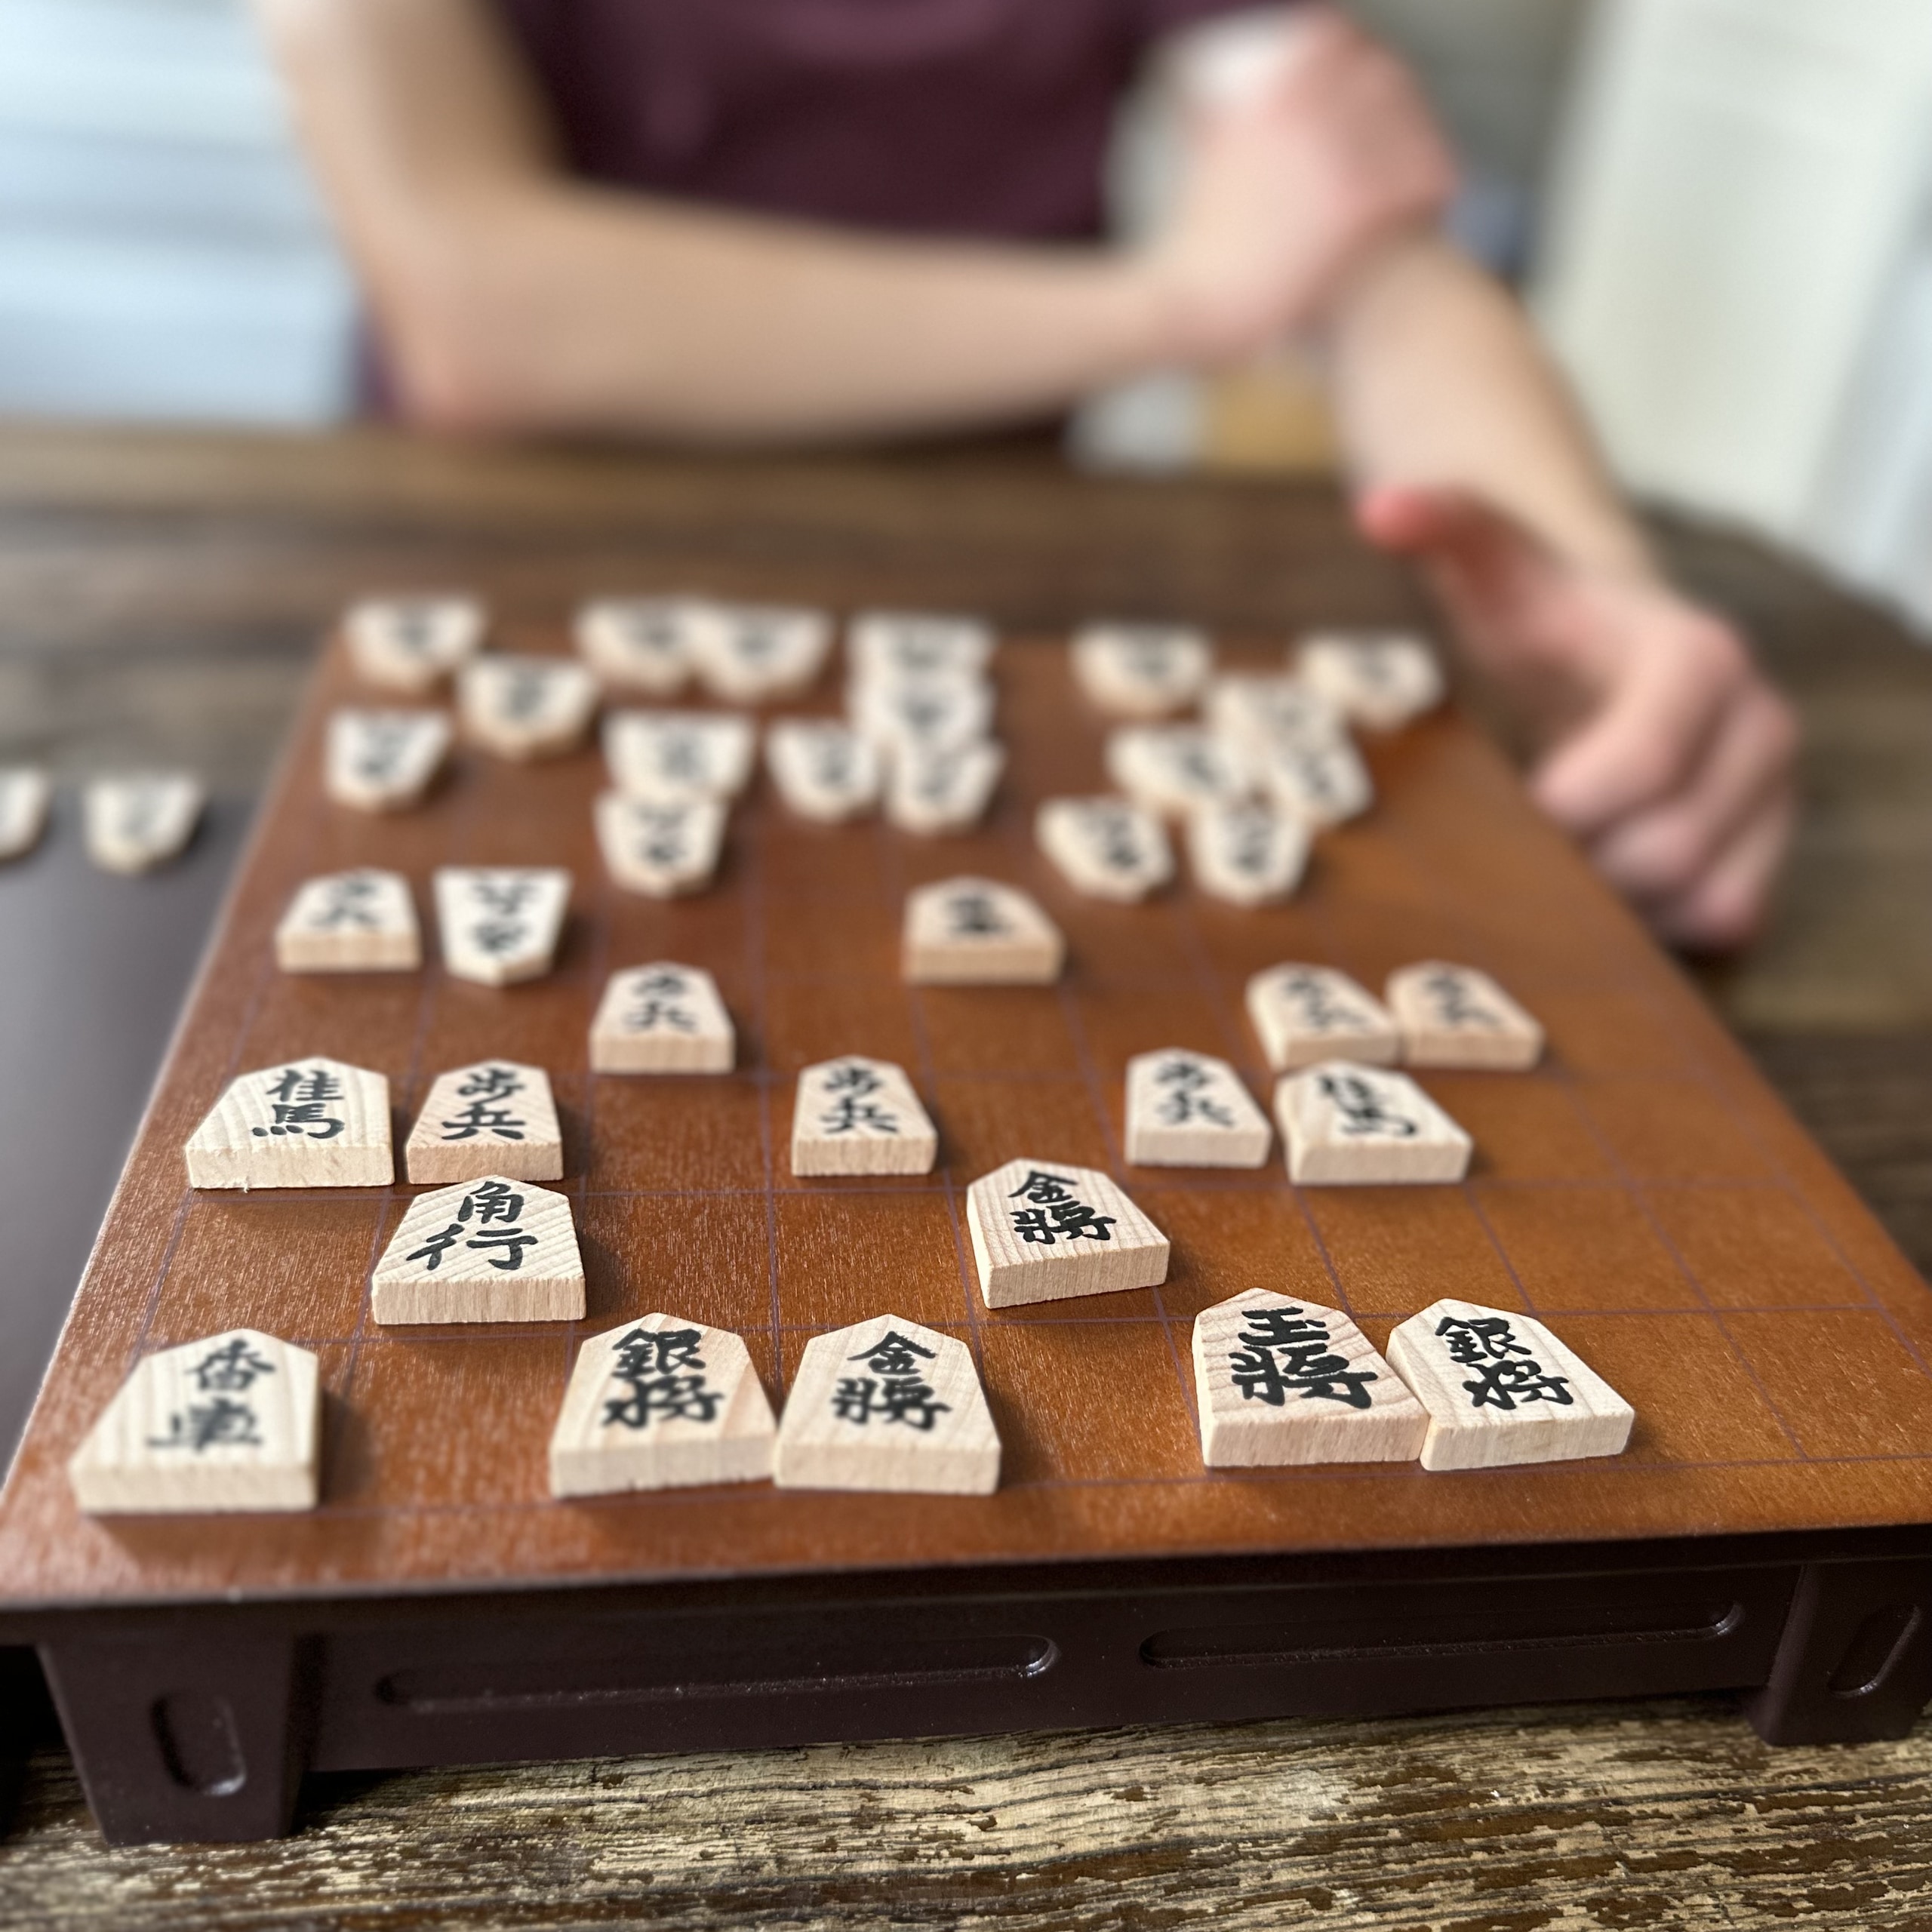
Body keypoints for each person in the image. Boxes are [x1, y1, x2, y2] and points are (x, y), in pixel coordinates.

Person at [257, 0, 1798, 949]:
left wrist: (1585, 581)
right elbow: (480, 311)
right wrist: (1180, 303)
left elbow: (1374, 260)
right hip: (494, 607)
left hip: (988, 619)